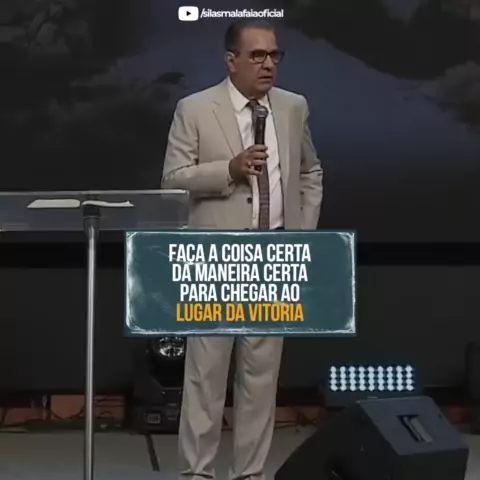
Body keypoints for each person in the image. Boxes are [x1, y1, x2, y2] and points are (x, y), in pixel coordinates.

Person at [162, 19, 323, 480]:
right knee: (206, 375)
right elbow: (172, 180)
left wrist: (302, 235)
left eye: (274, 55)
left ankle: (249, 473)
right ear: (231, 60)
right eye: (257, 55)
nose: (268, 64)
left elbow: (310, 172)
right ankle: (197, 472)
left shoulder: (293, 107)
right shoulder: (195, 109)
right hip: (215, 258)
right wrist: (228, 170)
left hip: (273, 257)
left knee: (260, 377)